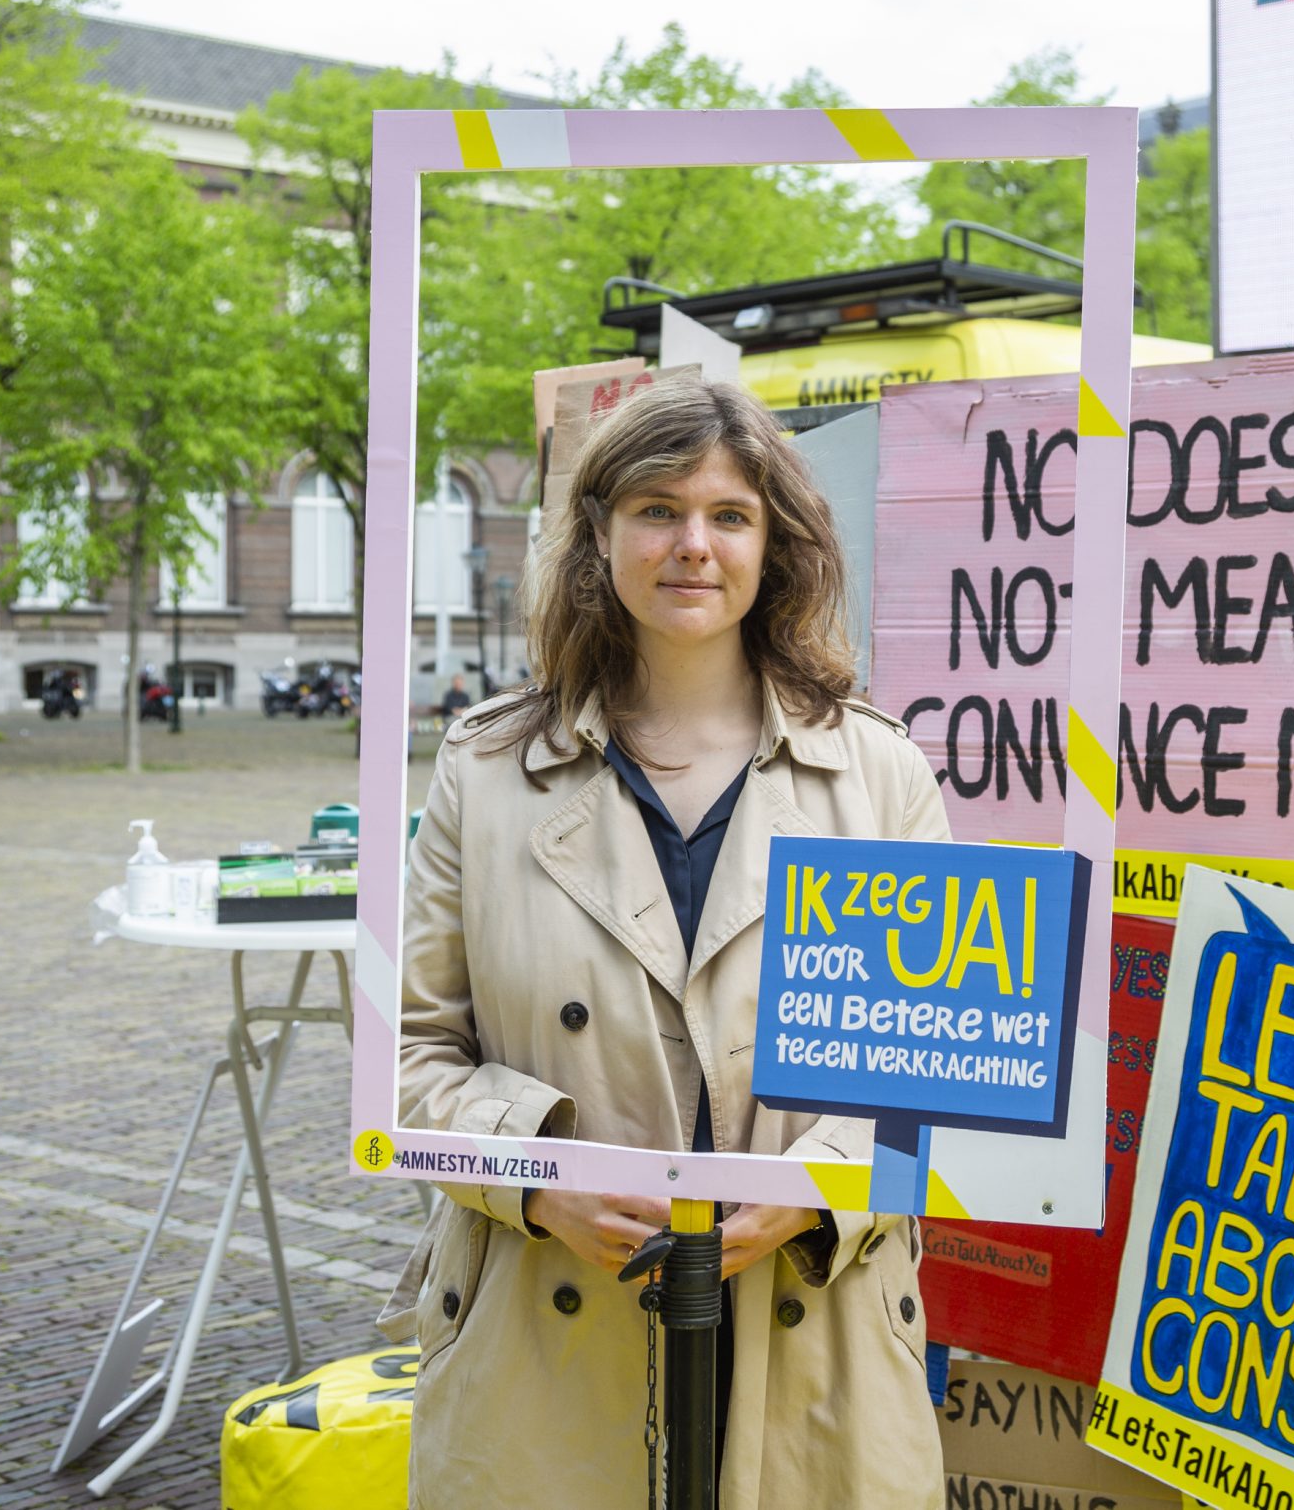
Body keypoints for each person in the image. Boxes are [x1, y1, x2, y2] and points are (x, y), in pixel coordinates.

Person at [394, 382, 946, 1508]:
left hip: (813, 1329)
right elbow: (407, 1057)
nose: (694, 544)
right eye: (657, 508)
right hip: (547, 1340)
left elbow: (941, 1075)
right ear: (598, 533)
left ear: (772, 542)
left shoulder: (881, 774)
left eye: (729, 514)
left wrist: (817, 1186)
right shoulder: (484, 771)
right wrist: (539, 1180)